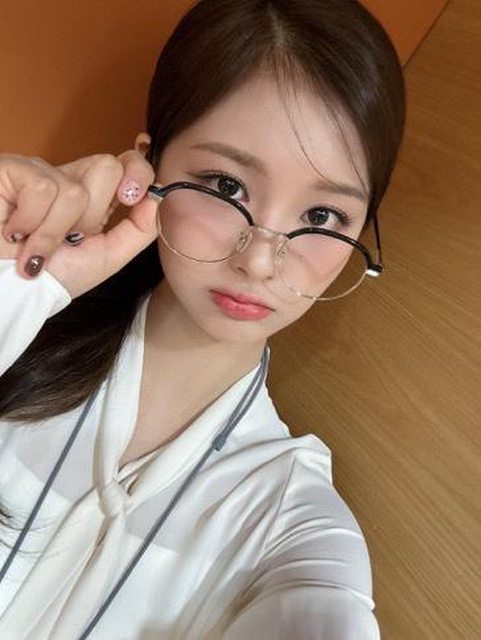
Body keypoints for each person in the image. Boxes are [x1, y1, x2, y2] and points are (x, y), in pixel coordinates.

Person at [0, 0, 405, 637]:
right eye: (225, 186)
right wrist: (15, 282)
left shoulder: (285, 513)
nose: (261, 261)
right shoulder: (21, 327)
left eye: (322, 217)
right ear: (148, 166)